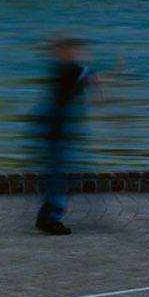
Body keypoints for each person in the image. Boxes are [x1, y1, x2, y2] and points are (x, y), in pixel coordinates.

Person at [34, 37, 92, 236]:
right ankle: (49, 218)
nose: (79, 53)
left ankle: (48, 216)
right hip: (58, 129)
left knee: (58, 175)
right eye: (74, 50)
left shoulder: (63, 70)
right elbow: (87, 79)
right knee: (59, 176)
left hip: (55, 128)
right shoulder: (70, 70)